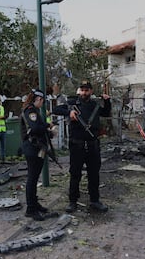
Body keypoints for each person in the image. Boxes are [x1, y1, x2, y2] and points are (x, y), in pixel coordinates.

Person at [53, 80, 111, 213]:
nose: (84, 92)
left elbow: (106, 113)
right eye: (82, 90)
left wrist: (107, 101)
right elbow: (56, 109)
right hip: (76, 145)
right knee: (75, 174)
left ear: (91, 91)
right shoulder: (72, 104)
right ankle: (73, 202)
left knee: (94, 174)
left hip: (92, 145)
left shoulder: (94, 105)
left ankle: (95, 201)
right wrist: (69, 113)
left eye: (87, 90)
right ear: (79, 91)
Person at [20, 89, 53, 221]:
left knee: (34, 178)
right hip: (32, 148)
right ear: (39, 100)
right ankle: (30, 209)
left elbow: (37, 129)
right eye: (42, 101)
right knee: (32, 179)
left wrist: (48, 131)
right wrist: (47, 125)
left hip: (36, 147)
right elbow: (35, 128)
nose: (42, 104)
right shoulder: (31, 110)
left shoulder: (33, 110)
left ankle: (34, 203)